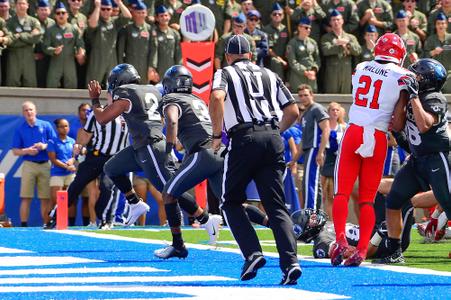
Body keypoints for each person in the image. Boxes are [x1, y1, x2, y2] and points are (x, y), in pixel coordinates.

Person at [88, 64, 221, 240]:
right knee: (112, 168)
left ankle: (204, 219)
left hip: (151, 146)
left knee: (169, 189)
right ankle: (135, 203)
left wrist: (95, 99)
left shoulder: (125, 92)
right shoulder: (150, 89)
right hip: (140, 145)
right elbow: (153, 115)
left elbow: (102, 118)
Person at [209, 34, 301, 285]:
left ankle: (252, 253)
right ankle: (291, 263)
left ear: (228, 56)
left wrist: (217, 135)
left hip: (243, 138)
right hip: (272, 136)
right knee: (276, 205)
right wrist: (273, 133)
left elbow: (217, 98)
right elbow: (293, 110)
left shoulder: (225, 73)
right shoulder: (270, 74)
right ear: (251, 54)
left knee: (229, 201)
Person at [330, 33, 411, 267]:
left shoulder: (362, 66)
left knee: (342, 193)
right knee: (367, 199)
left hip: (354, 132)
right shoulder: (403, 75)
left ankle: (341, 241)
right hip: (377, 136)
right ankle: (362, 249)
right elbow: (399, 115)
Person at [376, 58, 451, 264]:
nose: (412, 77)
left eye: (417, 75)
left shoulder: (434, 97)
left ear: (427, 79)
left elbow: (425, 124)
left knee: (448, 203)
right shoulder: (410, 96)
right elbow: (398, 125)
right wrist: (403, 96)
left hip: (438, 158)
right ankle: (394, 250)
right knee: (393, 201)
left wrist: (414, 96)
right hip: (417, 160)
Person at [153, 65, 224, 258]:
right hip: (219, 151)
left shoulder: (170, 99)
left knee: (168, 193)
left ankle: (178, 245)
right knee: (232, 203)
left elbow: (172, 121)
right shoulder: (196, 99)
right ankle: (274, 225)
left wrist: (169, 150)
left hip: (203, 153)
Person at [12, 101, 56, 226]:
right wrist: (27, 151)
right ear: (23, 113)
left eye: (31, 109)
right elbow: (15, 151)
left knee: (45, 198)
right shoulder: (20, 129)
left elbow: (55, 144)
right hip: (28, 165)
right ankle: (24, 226)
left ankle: (46, 224)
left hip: (45, 165)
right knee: (26, 197)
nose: (29, 112)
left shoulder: (46, 125)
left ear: (35, 111)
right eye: (26, 110)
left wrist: (44, 146)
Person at [288, 84, 330, 210]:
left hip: (314, 149)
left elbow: (326, 129)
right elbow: (303, 141)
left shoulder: (317, 109)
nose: (303, 98)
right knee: (310, 183)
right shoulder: (305, 114)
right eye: (300, 96)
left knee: (310, 183)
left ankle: (310, 214)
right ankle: (315, 214)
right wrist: (294, 160)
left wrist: (320, 152)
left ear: (312, 95)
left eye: (306, 95)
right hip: (308, 150)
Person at [85, 0, 131, 87]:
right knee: (93, 84)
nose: (106, 11)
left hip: (111, 56)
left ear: (111, 10)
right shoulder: (97, 20)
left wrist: (119, 3)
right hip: (97, 56)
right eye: (103, 9)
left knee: (112, 85)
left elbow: (128, 17)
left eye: (108, 9)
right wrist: (98, 7)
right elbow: (92, 24)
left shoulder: (114, 22)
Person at [43, 2, 85, 89]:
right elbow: (45, 46)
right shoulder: (50, 30)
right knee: (51, 85)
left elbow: (80, 43)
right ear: (55, 16)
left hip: (69, 62)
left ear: (67, 15)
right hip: (55, 62)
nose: (61, 15)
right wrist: (53, 50)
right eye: (58, 13)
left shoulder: (73, 29)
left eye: (63, 13)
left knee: (72, 86)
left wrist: (81, 52)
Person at [320, 10, 361, 94]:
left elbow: (358, 51)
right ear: (330, 22)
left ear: (342, 21)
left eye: (338, 19)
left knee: (346, 96)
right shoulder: (326, 37)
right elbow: (326, 50)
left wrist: (348, 44)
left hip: (346, 71)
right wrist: (339, 45)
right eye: (333, 20)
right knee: (331, 96)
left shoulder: (350, 37)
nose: (336, 22)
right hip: (332, 72)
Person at [6, 0, 42, 87]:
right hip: (14, 56)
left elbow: (37, 38)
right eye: (19, 4)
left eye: (23, 4)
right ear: (15, 6)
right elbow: (10, 40)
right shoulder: (10, 22)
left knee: (30, 84)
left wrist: (20, 35)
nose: (21, 6)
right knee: (12, 84)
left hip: (29, 56)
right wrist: (28, 39)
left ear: (27, 6)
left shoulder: (34, 21)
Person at [47, 118, 76, 222]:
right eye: (62, 126)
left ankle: (70, 224)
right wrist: (67, 166)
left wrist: (72, 161)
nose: (65, 128)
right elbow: (53, 160)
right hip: (57, 174)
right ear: (57, 128)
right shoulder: (52, 141)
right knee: (55, 200)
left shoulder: (72, 141)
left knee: (71, 200)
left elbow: (74, 156)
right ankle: (51, 222)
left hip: (70, 174)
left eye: (66, 126)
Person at [320, 102, 346, 221]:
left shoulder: (344, 126)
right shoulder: (324, 127)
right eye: (332, 110)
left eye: (337, 110)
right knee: (325, 193)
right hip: (326, 159)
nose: (335, 112)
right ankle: (328, 219)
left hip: (338, 161)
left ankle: (337, 220)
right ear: (328, 112)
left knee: (336, 194)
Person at [117, 1, 153, 83]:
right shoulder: (127, 28)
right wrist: (121, 66)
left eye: (143, 12)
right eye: (138, 13)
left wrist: (151, 66)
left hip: (144, 66)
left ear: (146, 13)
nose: (141, 15)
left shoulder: (150, 29)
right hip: (130, 65)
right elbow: (121, 49)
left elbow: (153, 49)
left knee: (143, 89)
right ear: (133, 13)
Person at [286, 17, 321, 92]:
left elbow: (317, 59)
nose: (308, 30)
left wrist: (313, 71)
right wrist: (305, 72)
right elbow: (293, 62)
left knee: (312, 95)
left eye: (309, 28)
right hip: (298, 76)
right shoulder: (292, 43)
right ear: (299, 28)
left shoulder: (313, 42)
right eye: (306, 28)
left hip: (311, 76)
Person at [148, 5, 182, 82]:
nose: (164, 18)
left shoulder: (175, 34)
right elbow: (151, 53)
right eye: (161, 16)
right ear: (156, 18)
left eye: (166, 15)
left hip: (171, 72)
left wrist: (178, 70)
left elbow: (178, 55)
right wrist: (153, 70)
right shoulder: (153, 33)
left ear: (169, 17)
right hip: (157, 73)